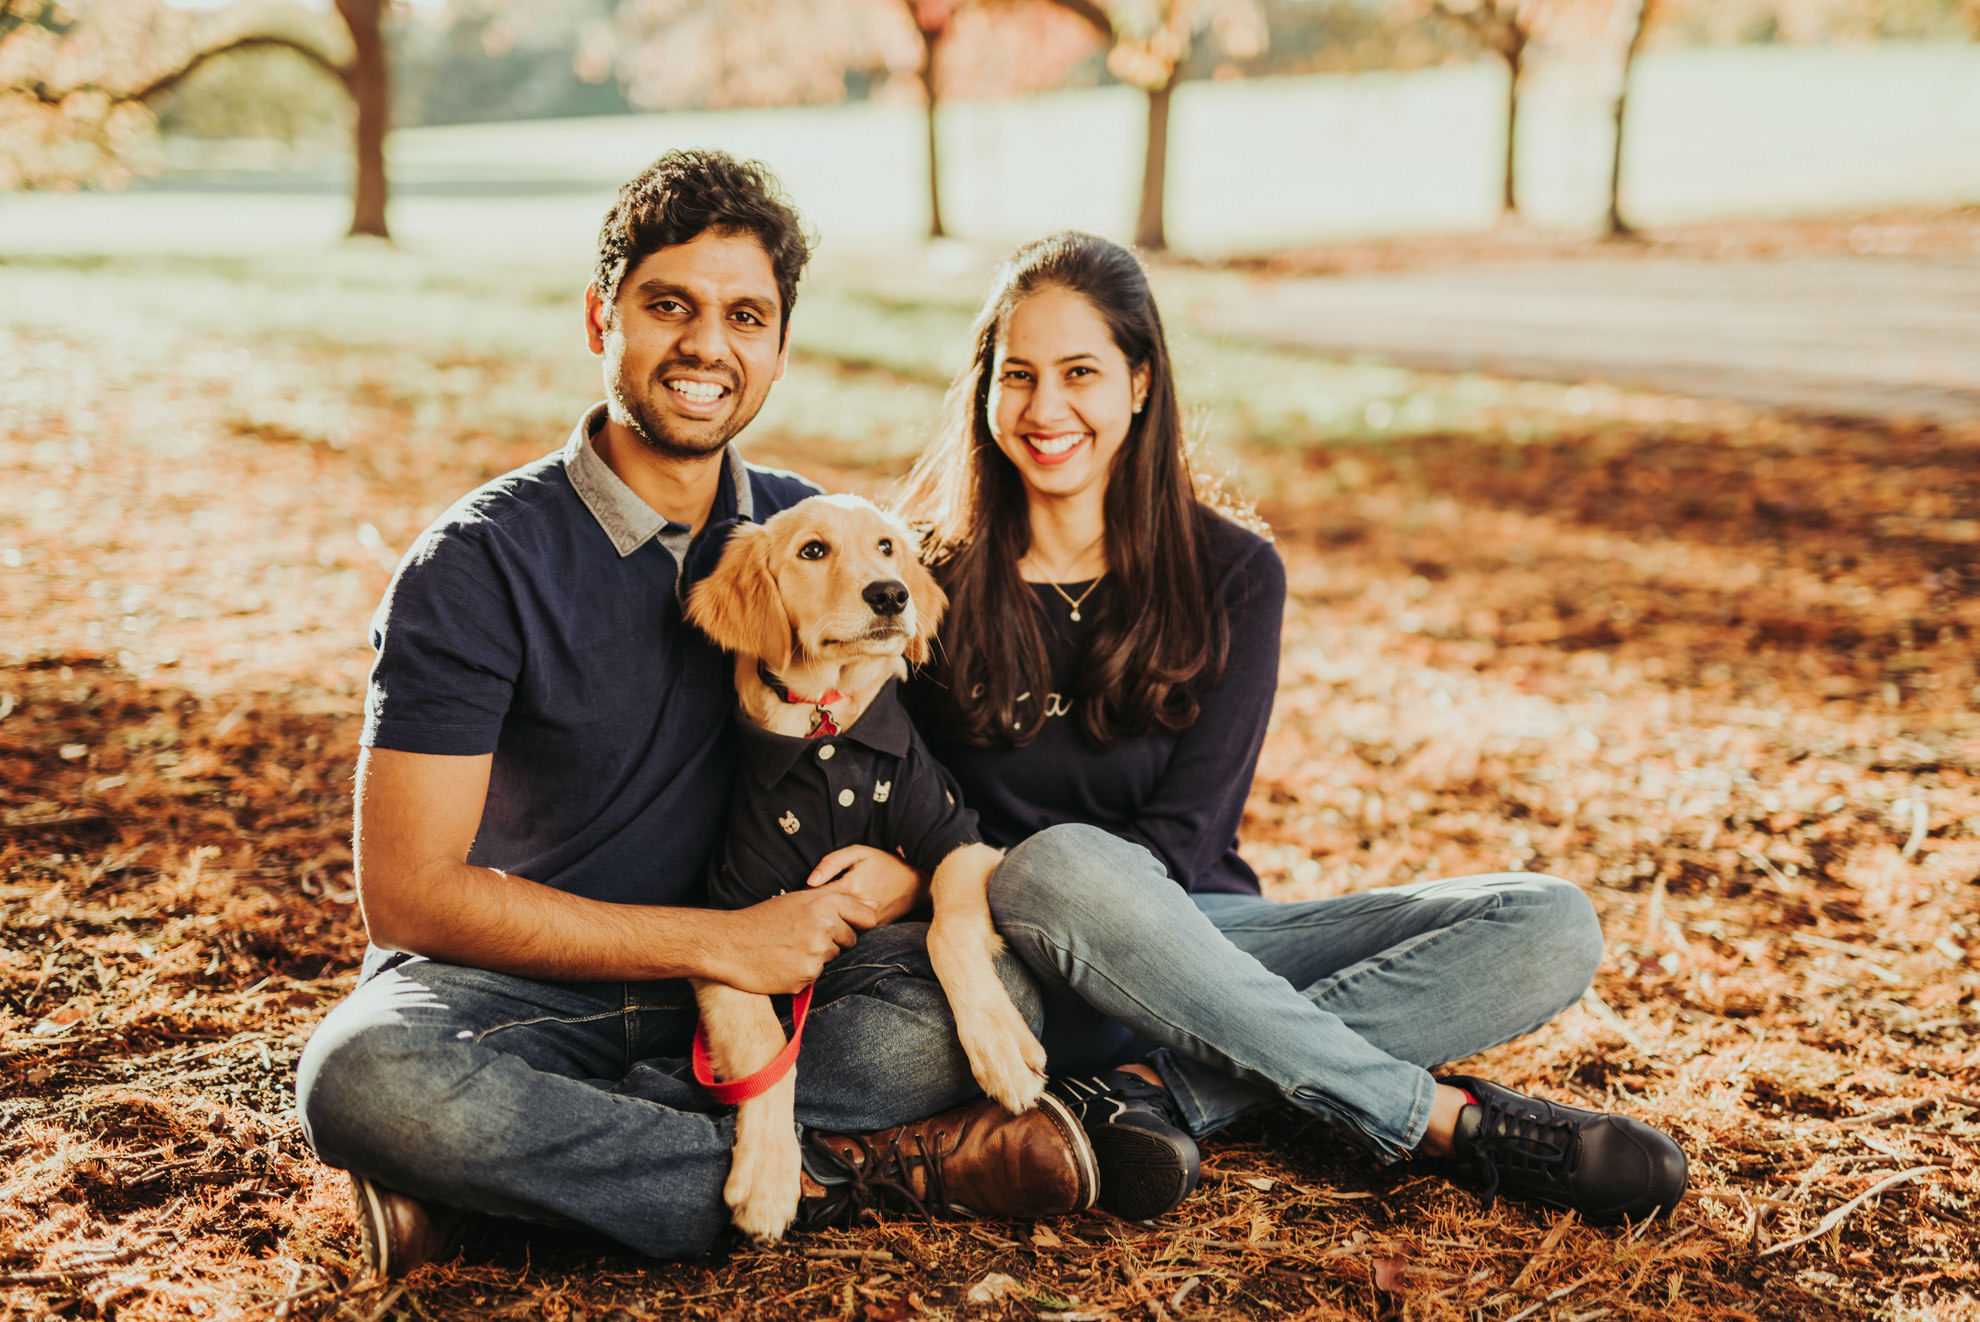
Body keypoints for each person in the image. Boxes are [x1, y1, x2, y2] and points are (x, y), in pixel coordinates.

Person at [293, 151, 1106, 1279]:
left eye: (745, 316)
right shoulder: (476, 564)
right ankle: (859, 1171)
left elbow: (911, 777)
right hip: (519, 988)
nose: (706, 346)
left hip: (769, 988)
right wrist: (713, 940)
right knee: (362, 1078)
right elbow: (409, 892)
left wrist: (909, 878)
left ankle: (516, 1188)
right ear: (600, 317)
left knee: (994, 990)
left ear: (778, 347)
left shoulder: (807, 537)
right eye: (667, 305)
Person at [897, 231, 1689, 1226]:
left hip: (1200, 937)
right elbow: (916, 817)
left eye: (1079, 373)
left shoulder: (1230, 572)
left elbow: (1182, 844)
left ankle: (1158, 1094)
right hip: (1003, 963)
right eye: (1017, 376)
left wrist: (1155, 963)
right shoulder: (920, 578)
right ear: (984, 392)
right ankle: (1440, 1121)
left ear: (1140, 383)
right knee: (1052, 869)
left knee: (1547, 924)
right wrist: (1026, 892)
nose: (1045, 408)